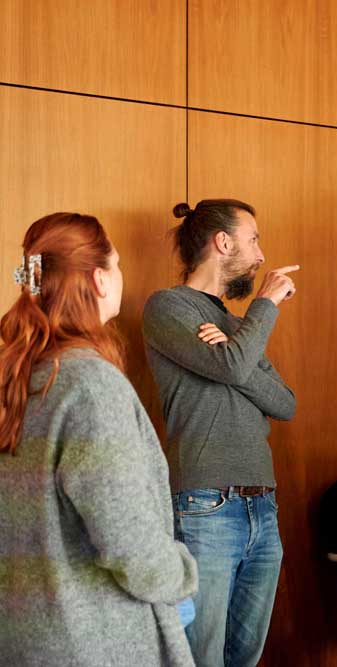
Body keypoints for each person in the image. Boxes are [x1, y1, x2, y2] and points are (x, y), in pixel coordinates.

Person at [0, 213, 198, 666]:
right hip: (94, 641)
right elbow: (127, 537)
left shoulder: (15, 375)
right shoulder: (89, 385)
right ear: (100, 280)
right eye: (119, 264)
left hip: (23, 636)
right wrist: (181, 573)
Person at [142, 199, 297, 667]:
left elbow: (285, 403)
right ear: (222, 242)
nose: (261, 255)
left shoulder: (234, 326)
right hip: (206, 506)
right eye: (254, 239)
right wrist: (264, 306)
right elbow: (231, 366)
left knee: (243, 657)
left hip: (263, 507)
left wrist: (233, 349)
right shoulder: (168, 307)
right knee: (201, 656)